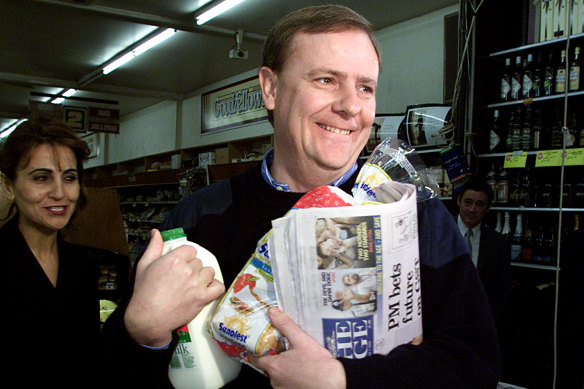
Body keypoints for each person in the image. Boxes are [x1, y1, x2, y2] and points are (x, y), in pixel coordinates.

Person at [155, 5, 500, 388]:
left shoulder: (415, 215)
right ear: (271, 88)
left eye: (365, 87)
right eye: (325, 80)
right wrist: (139, 334)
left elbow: (474, 364)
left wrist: (343, 380)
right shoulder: (197, 219)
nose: (351, 106)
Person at [1, 118, 224, 388]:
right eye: (41, 178)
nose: (60, 192)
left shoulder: (86, 264)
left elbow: (100, 355)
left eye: (69, 177)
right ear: (8, 186)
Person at [456, 178, 512, 335]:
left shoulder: (498, 244)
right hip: (445, 323)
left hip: (481, 326)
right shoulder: (439, 234)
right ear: (459, 201)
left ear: (488, 208)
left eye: (479, 204)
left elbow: (502, 291)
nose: (472, 209)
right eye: (468, 202)